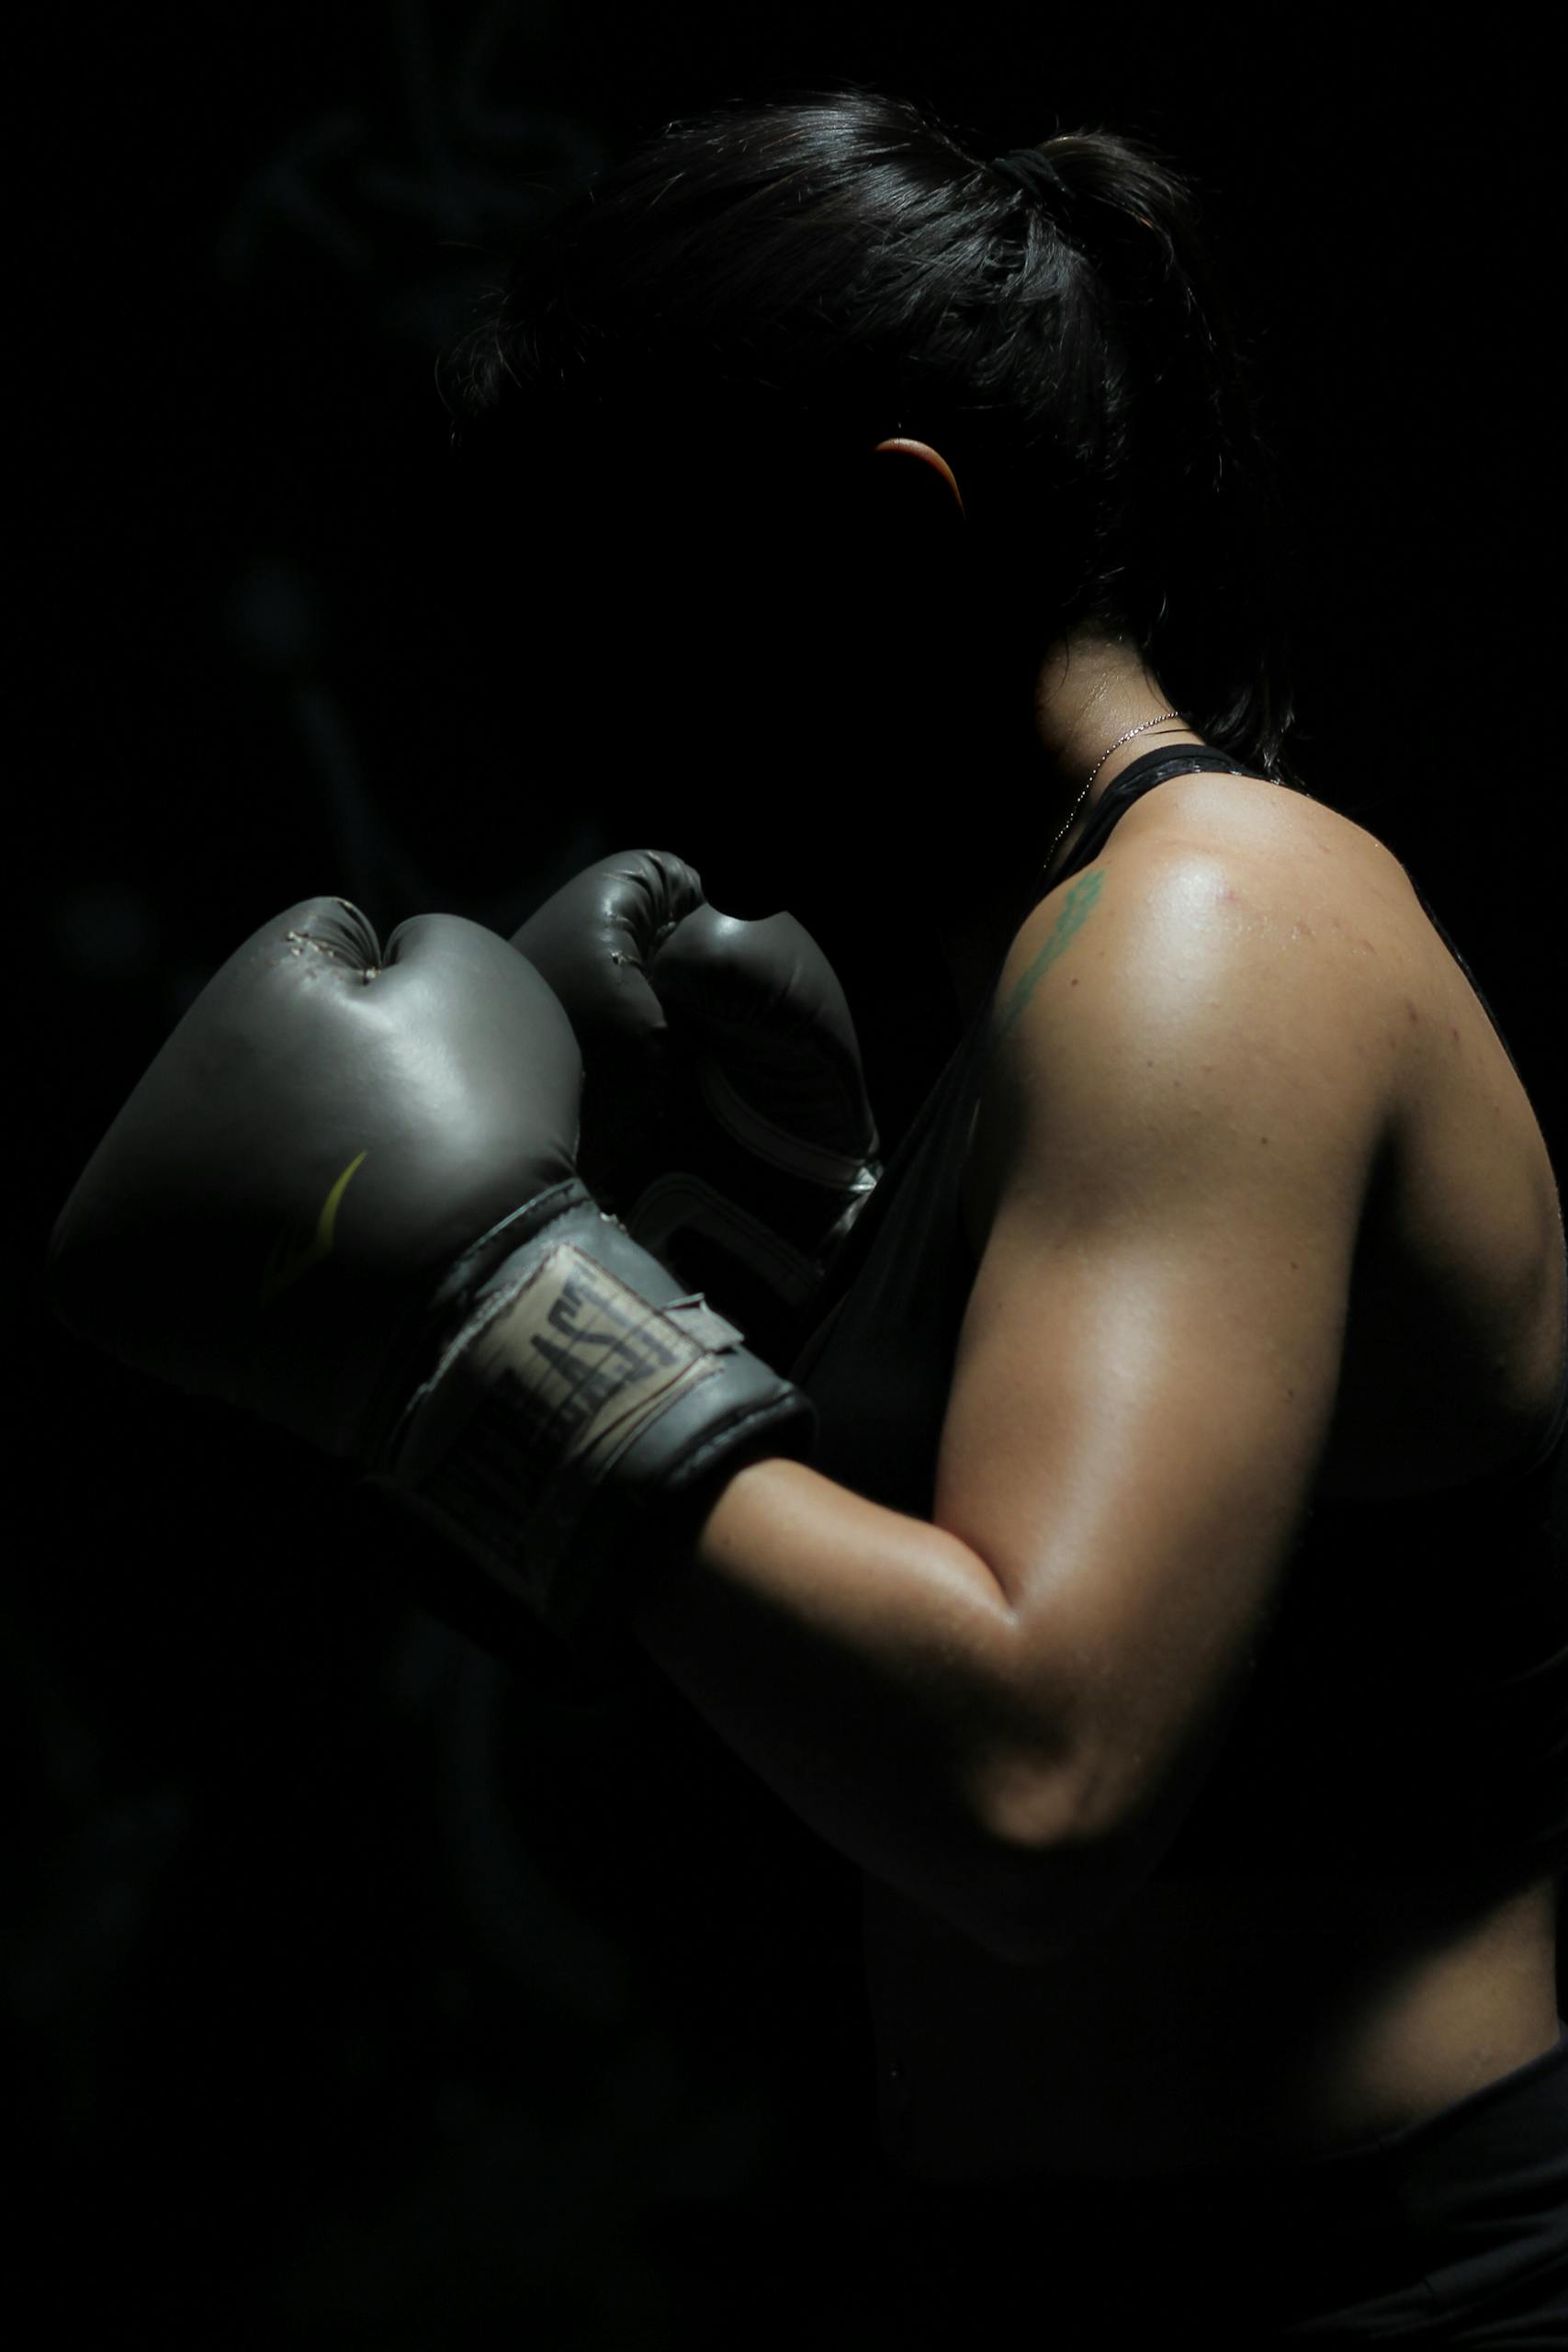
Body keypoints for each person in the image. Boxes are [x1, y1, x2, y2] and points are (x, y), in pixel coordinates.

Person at [51, 86, 1568, 2344]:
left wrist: (503, 1312)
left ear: (889, 533)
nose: (609, 737)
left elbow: (1033, 1777)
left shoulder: (1209, 937)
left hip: (1361, 2289)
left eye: (642, 618)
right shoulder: (1024, 1001)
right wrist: (769, 1279)